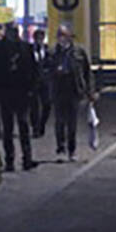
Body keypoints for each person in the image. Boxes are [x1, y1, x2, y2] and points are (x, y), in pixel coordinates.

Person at [0, 24, 38, 171]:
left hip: (21, 92)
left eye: (15, 32)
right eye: (11, 32)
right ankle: (10, 159)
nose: (13, 35)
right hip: (5, 92)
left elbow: (33, 69)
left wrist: (31, 89)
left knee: (23, 125)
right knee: (7, 128)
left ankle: (27, 158)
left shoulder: (25, 48)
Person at [47, 25, 95, 161]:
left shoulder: (78, 51)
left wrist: (90, 90)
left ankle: (71, 149)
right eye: (59, 35)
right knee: (59, 121)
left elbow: (87, 72)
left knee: (72, 122)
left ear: (69, 36)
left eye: (63, 35)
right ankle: (60, 147)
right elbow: (46, 71)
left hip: (74, 89)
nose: (61, 38)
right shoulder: (52, 52)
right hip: (58, 89)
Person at [29, 28, 52, 138]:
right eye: (37, 38)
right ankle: (35, 128)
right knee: (34, 107)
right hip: (32, 82)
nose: (39, 40)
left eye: (41, 38)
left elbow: (50, 64)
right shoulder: (29, 50)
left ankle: (42, 124)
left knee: (47, 104)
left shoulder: (47, 51)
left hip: (45, 82)